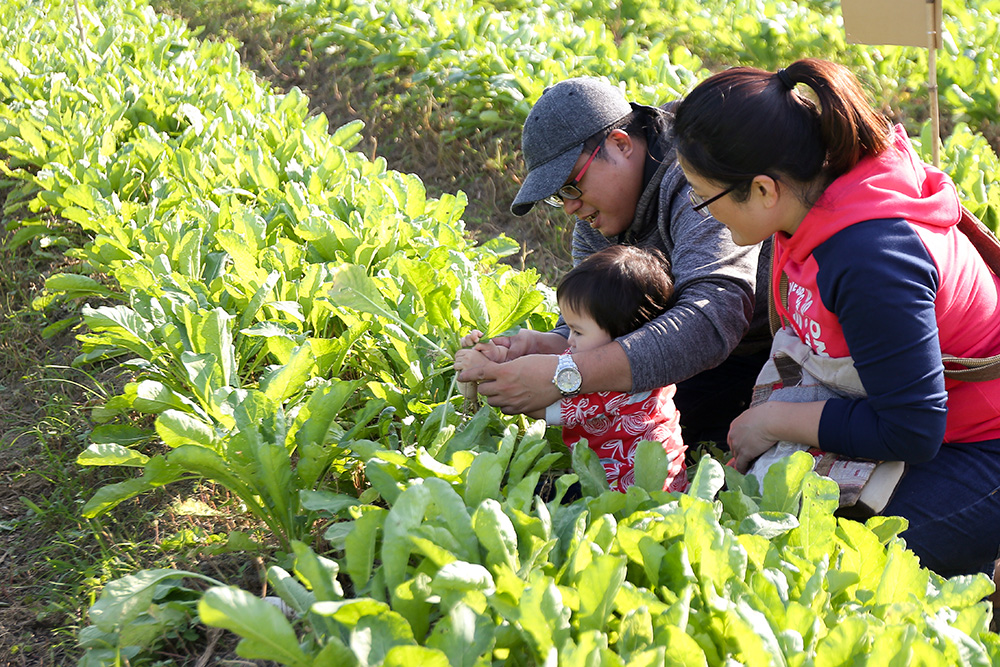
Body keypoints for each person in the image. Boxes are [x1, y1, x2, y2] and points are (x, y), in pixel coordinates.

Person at [671, 57, 1000, 578]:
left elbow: (914, 431)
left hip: (980, 442)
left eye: (703, 195)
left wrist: (771, 421)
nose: (701, 209)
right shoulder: (811, 202)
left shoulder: (871, 259)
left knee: (844, 568)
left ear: (763, 189)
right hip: (920, 420)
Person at [455, 76, 772, 447]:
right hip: (702, 359)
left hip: (769, 349)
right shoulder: (600, 216)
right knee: (611, 417)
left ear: (620, 144)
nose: (571, 207)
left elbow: (714, 316)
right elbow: (596, 320)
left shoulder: (696, 174)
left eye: (572, 186)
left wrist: (565, 373)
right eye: (560, 197)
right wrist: (542, 346)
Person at [457, 245, 688, 493]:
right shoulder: (612, 358)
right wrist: (500, 355)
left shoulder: (612, 384)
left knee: (531, 495)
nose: (569, 340)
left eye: (577, 331)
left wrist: (486, 371)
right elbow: (547, 366)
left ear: (624, 334)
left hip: (629, 492)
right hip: (647, 482)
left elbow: (533, 399)